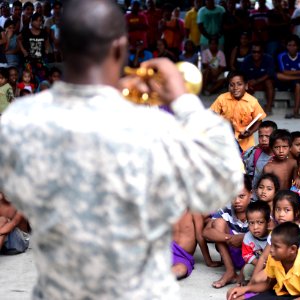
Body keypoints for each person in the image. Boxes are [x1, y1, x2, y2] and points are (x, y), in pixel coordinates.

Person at [0, 1, 243, 299]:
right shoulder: (151, 128)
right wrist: (181, 98)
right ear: (120, 47)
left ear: (60, 44)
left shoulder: (19, 118)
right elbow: (227, 177)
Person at [227, 222, 300, 300]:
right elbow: (268, 285)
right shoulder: (274, 258)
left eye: (276, 246)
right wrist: (246, 289)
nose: (271, 250)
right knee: (234, 296)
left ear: (292, 249)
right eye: (271, 245)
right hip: (281, 293)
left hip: (299, 297)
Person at [250, 190, 300, 285]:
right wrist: (251, 282)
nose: (281, 214)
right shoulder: (275, 232)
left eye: (287, 210)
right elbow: (263, 257)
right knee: (258, 279)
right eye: (278, 209)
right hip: (280, 270)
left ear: (296, 212)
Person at [203, 175, 252, 289]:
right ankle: (230, 271)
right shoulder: (226, 209)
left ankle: (244, 274)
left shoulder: (257, 209)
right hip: (231, 254)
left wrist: (244, 237)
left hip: (251, 259)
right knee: (218, 223)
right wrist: (229, 238)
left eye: (241, 196)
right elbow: (206, 232)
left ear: (251, 194)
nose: (237, 201)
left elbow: (269, 233)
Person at [210, 71, 266, 152]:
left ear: (246, 86)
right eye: (232, 85)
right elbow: (212, 115)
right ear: (228, 86)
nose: (235, 88)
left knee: (243, 164)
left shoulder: (252, 102)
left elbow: (259, 120)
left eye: (239, 84)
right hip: (224, 141)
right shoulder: (222, 99)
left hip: (245, 144)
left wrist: (250, 132)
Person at [277, 35, 300, 119]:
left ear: (298, 46)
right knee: (278, 75)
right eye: (289, 45)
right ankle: (299, 79)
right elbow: (284, 71)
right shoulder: (282, 56)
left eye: (294, 45)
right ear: (286, 46)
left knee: (298, 85)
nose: (292, 47)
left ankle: (296, 111)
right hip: (288, 79)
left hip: (299, 82)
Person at [242, 120, 277, 192]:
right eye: (261, 136)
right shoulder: (254, 152)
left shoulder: (281, 155)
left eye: (267, 136)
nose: (263, 139)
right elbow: (249, 173)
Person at [241, 42, 276, 115]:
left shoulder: (269, 59)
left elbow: (270, 74)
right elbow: (242, 74)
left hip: (263, 83)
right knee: (244, 85)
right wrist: (247, 82)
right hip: (251, 83)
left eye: (258, 52)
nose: (256, 54)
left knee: (269, 82)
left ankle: (268, 107)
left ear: (262, 52)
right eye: (254, 52)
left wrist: (257, 81)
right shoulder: (247, 59)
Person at [241, 201, 271, 284]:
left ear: (268, 222)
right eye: (251, 223)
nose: (255, 227)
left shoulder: (273, 236)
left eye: (260, 222)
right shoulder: (248, 237)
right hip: (257, 265)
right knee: (247, 269)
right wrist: (259, 264)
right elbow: (247, 255)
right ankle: (250, 281)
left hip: (272, 267)